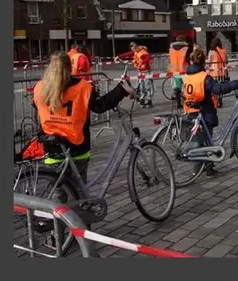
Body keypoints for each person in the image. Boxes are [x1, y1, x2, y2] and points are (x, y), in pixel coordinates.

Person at [32, 51, 136, 185]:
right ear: (71, 67)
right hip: (76, 147)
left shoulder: (40, 87)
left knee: (58, 193)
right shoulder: (83, 88)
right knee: (79, 193)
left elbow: (37, 106)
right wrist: (121, 90)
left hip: (51, 146)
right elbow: (100, 106)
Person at [182, 46, 238, 176]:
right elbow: (218, 89)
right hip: (204, 111)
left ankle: (200, 166)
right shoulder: (205, 77)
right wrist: (235, 84)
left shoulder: (187, 76)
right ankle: (208, 166)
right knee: (207, 140)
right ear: (203, 62)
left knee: (197, 139)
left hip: (190, 110)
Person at [168, 35, 191, 109]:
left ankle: (178, 104)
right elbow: (189, 60)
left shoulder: (171, 49)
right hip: (184, 71)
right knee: (186, 89)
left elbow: (170, 60)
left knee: (177, 89)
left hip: (175, 72)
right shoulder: (186, 49)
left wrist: (169, 70)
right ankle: (186, 103)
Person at [131, 42, 154, 107]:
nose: (132, 49)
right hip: (140, 71)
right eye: (132, 48)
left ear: (136, 47)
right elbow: (136, 60)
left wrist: (142, 62)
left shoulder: (142, 51)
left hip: (146, 71)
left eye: (133, 47)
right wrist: (135, 64)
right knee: (142, 86)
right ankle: (142, 99)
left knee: (148, 86)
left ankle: (149, 100)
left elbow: (148, 57)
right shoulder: (136, 52)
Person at [207, 37, 228, 108]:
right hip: (222, 73)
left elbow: (209, 62)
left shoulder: (211, 52)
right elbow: (226, 61)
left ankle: (215, 101)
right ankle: (220, 100)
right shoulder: (223, 51)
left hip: (214, 73)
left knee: (214, 87)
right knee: (220, 86)